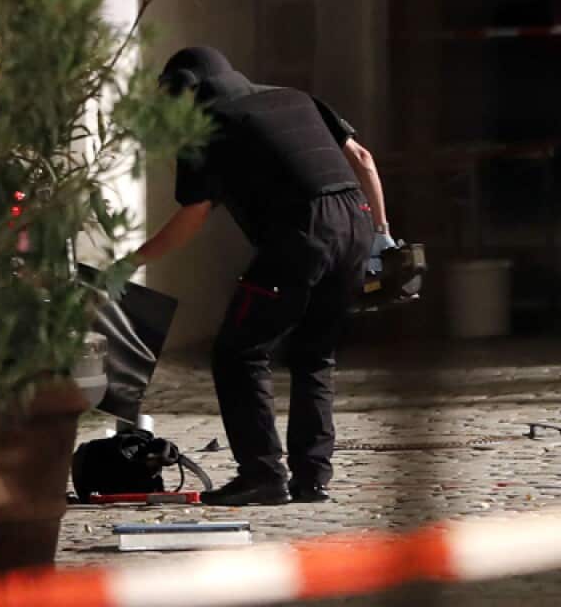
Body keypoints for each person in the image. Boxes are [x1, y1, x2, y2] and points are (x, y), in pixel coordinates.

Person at [133, 46, 393, 505]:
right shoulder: (296, 97)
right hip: (356, 221)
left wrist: (132, 260)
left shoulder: (208, 124)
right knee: (315, 354)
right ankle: (312, 478)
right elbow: (364, 158)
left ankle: (262, 474)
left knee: (238, 352)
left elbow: (194, 214)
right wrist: (381, 235)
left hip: (302, 232)